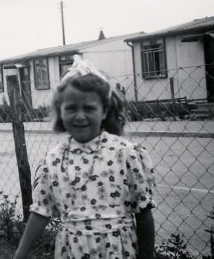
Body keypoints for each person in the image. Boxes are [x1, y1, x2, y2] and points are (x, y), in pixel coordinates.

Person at [14, 56, 156, 259]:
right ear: (60, 111)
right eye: (71, 108)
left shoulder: (125, 153)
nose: (80, 116)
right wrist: (21, 253)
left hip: (117, 251)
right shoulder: (54, 159)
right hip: (71, 251)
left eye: (89, 108)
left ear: (105, 110)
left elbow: (143, 213)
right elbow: (40, 211)